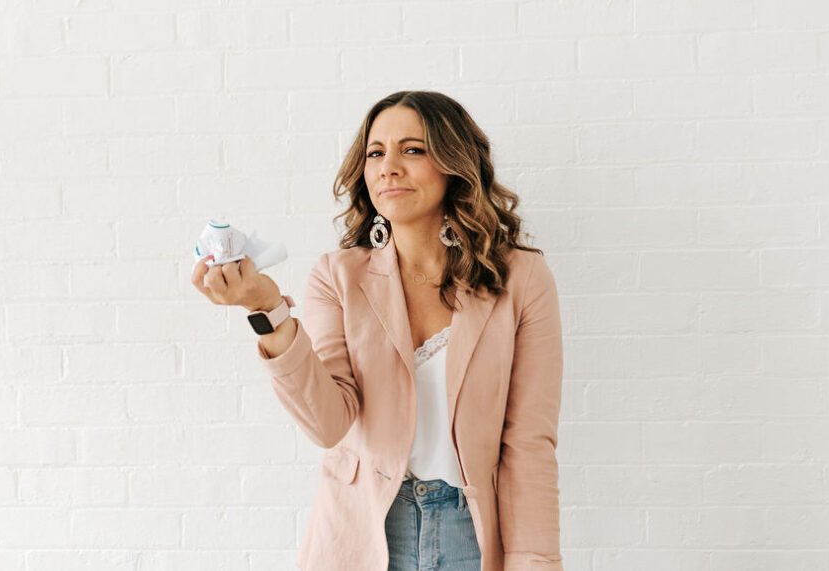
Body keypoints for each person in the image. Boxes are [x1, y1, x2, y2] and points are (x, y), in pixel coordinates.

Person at [191, 91, 565, 571]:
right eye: (375, 153)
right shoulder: (338, 276)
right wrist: (265, 308)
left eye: (413, 149)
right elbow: (328, 423)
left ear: (454, 163)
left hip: (470, 535)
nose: (388, 166)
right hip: (361, 533)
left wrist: (535, 562)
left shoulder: (520, 278)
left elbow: (529, 443)